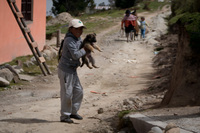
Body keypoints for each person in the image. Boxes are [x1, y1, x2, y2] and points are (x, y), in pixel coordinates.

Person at [58, 19, 87, 123]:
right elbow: (75, 55)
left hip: (72, 69)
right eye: (77, 29)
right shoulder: (69, 40)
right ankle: (65, 116)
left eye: (81, 29)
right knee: (67, 93)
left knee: (79, 91)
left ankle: (73, 112)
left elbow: (81, 49)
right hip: (66, 70)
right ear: (71, 29)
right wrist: (85, 49)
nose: (80, 31)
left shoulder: (78, 38)